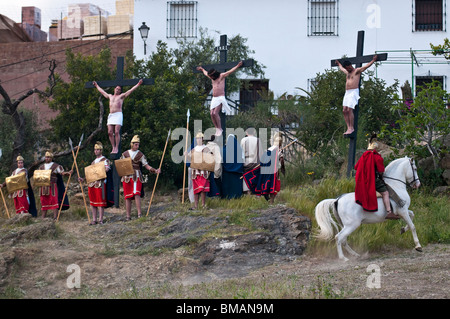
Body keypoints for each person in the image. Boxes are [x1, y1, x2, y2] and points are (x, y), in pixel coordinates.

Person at [354, 135, 399, 220]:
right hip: (373, 180)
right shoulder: (377, 157)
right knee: (385, 193)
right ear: (376, 148)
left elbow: (356, 167)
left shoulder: (363, 156)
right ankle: (389, 212)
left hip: (362, 180)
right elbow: (381, 171)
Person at [93, 79, 143, 154]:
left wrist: (138, 84)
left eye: (119, 89)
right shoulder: (110, 96)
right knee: (110, 132)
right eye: (117, 88)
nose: (117, 90)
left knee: (116, 131)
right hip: (111, 115)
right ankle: (113, 146)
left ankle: (116, 147)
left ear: (120, 91)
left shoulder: (121, 96)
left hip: (118, 114)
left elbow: (130, 90)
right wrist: (96, 86)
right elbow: (102, 92)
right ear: (114, 89)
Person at [196, 61, 243, 136]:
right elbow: (205, 73)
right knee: (211, 113)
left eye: (211, 76)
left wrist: (237, 66)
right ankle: (216, 128)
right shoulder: (212, 78)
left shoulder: (221, 76)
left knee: (215, 113)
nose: (210, 78)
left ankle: (220, 128)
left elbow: (229, 71)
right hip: (214, 98)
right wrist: (202, 69)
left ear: (214, 75)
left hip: (220, 97)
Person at [120, 135, 160, 220]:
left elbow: (146, 165)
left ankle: (139, 214)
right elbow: (121, 166)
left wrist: (155, 170)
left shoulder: (140, 154)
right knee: (128, 197)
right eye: (136, 144)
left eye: (138, 144)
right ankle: (128, 216)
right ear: (132, 144)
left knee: (137, 194)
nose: (137, 146)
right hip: (127, 177)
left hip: (136, 176)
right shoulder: (125, 154)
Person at [335, 55, 377, 136]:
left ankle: (351, 127)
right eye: (346, 68)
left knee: (350, 109)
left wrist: (373, 61)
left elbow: (365, 67)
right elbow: (342, 69)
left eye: (348, 68)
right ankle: (348, 127)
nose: (347, 69)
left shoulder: (357, 71)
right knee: (344, 110)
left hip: (354, 91)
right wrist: (338, 64)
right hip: (347, 92)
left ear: (350, 66)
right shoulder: (347, 73)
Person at [79, 142, 112, 225]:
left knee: (100, 202)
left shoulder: (105, 160)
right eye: (95, 150)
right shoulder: (93, 162)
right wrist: (83, 179)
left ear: (101, 150)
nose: (96, 151)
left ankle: (100, 219)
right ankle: (94, 219)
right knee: (93, 202)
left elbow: (107, 169)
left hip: (100, 183)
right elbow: (90, 174)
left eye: (97, 150)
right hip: (92, 183)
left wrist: (100, 170)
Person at [38, 151, 71, 220]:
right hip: (43, 187)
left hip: (52, 186)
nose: (47, 158)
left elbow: (62, 173)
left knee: (54, 200)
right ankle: (43, 217)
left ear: (51, 158)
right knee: (44, 201)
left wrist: (67, 173)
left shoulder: (56, 166)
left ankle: (55, 217)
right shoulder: (41, 167)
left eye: (48, 157)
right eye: (46, 157)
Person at [256, 132, 284, 203]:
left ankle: (268, 198)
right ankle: (271, 200)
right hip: (274, 169)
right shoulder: (278, 150)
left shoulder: (270, 149)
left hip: (267, 168)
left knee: (268, 182)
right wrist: (282, 167)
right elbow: (281, 159)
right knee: (274, 184)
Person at [187, 132, 211, 209]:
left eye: (200, 138)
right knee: (196, 189)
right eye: (197, 139)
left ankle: (203, 205)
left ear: (203, 139)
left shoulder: (206, 148)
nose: (198, 140)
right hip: (195, 171)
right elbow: (190, 160)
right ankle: (195, 206)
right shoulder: (193, 149)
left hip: (203, 171)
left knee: (203, 188)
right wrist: (186, 155)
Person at [240, 127, 262, 194]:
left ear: (246, 133)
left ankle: (247, 192)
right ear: (254, 132)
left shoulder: (243, 140)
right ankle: (254, 191)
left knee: (246, 177)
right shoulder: (258, 140)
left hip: (246, 161)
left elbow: (241, 152)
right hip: (255, 161)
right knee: (254, 176)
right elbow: (260, 153)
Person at [221, 134, 244, 199]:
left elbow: (222, 160)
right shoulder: (239, 149)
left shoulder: (224, 149)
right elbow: (242, 159)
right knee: (236, 186)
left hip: (226, 172)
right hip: (237, 172)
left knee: (227, 186)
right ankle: (237, 197)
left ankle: (226, 197)